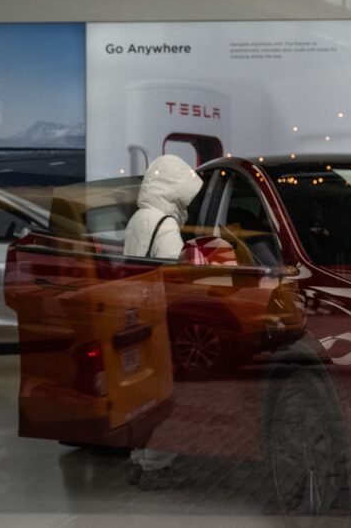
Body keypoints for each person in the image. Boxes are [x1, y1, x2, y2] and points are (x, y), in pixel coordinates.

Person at [123, 154, 203, 489]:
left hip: (135, 316)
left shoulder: (140, 218)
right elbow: (176, 276)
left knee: (146, 392)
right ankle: (158, 465)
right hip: (160, 317)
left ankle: (140, 459)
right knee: (171, 394)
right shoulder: (166, 225)